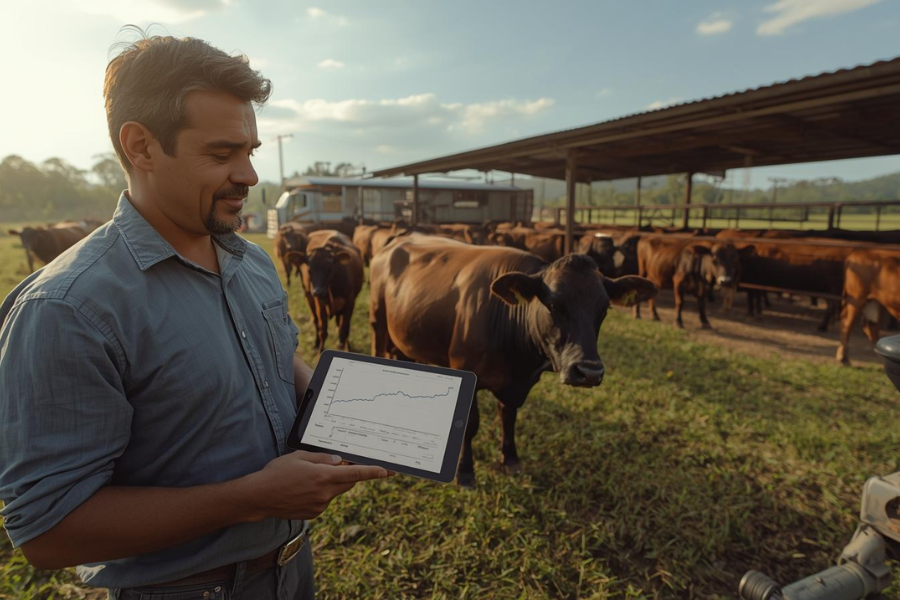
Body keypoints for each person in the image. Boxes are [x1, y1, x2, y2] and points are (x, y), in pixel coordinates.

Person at [0, 32, 390, 599]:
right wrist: (253, 496)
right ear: (141, 147)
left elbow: (278, 358)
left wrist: (368, 419)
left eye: (250, 152)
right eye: (221, 153)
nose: (250, 176)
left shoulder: (252, 262)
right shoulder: (67, 308)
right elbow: (48, 531)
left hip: (292, 569)